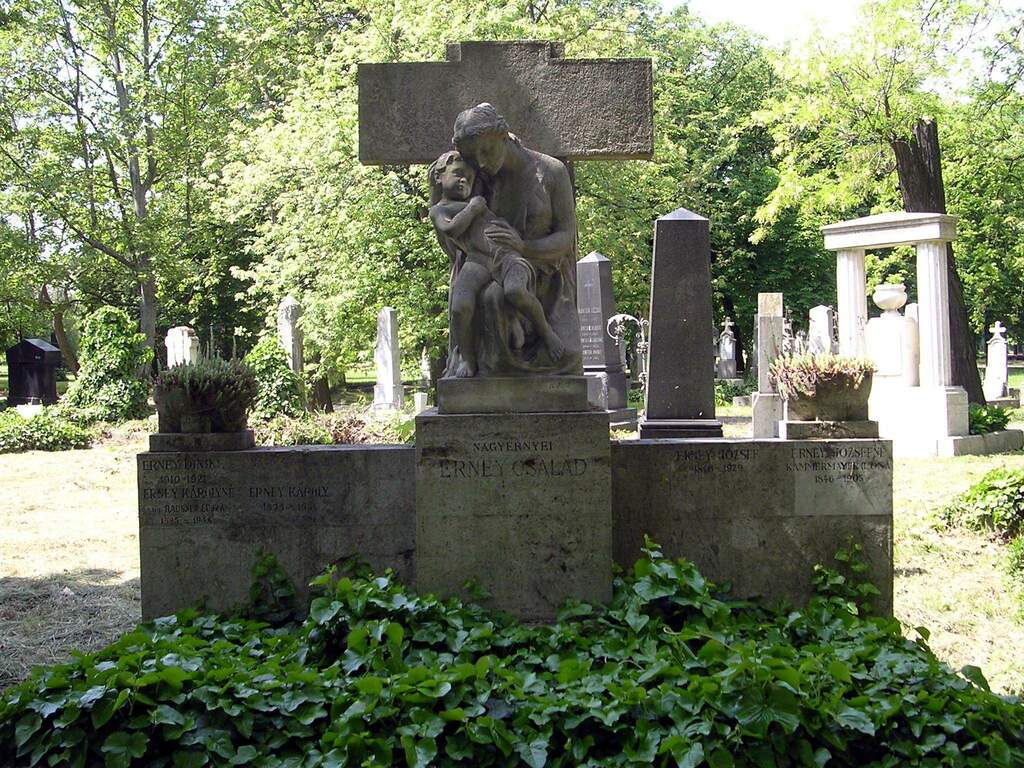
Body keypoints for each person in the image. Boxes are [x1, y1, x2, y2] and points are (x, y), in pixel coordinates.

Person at [440, 103, 582, 377]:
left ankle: (541, 333)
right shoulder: (479, 180)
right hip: (489, 267)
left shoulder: (551, 172)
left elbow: (566, 237)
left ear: (503, 136)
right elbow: (454, 232)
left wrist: (524, 247)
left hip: (541, 272)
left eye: (486, 150)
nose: (481, 162)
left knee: (567, 358)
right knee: (489, 298)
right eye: (473, 157)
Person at [429, 150, 565, 378]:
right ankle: (468, 358)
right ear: (438, 177)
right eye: (458, 174)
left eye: (470, 177)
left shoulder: (480, 199)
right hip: (477, 261)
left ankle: (546, 332)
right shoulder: (441, 210)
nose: (465, 180)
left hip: (508, 256)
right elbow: (450, 229)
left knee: (515, 291)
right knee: (460, 306)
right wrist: (474, 208)